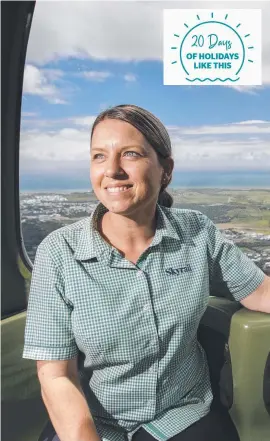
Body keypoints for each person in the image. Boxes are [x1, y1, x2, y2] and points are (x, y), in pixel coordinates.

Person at [23, 104, 270, 441]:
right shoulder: (59, 252)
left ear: (165, 169)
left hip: (184, 412)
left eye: (131, 154)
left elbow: (258, 291)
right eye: (98, 156)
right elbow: (55, 376)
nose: (112, 170)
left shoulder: (197, 232)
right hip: (95, 422)